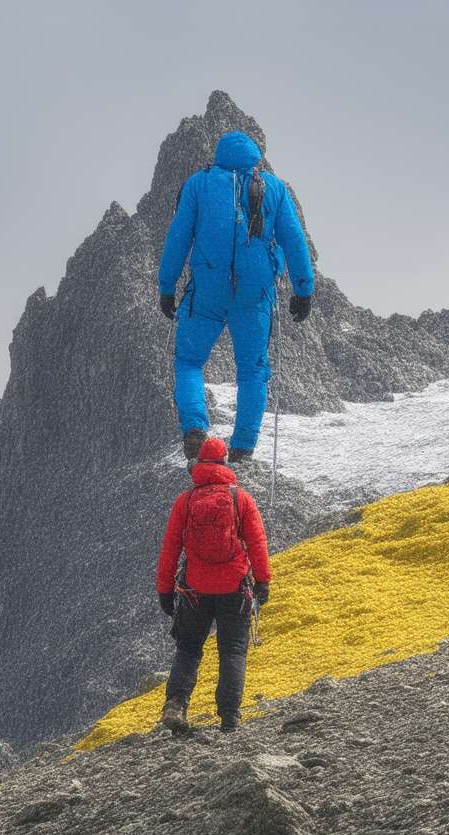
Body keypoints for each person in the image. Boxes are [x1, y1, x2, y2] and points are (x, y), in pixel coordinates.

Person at [158, 130, 315, 463]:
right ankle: (243, 448)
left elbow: (178, 238)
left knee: (189, 362)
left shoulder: (198, 185)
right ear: (255, 157)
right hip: (254, 296)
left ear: (218, 156)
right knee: (253, 370)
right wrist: (303, 290)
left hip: (206, 293)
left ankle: (195, 429)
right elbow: (294, 240)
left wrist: (167, 286)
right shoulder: (274, 188)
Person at [156, 436, 271, 733]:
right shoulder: (240, 498)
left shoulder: (186, 501)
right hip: (234, 587)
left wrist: (165, 590)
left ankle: (176, 704)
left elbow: (170, 548)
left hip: (195, 589)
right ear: (224, 463)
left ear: (200, 464)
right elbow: (257, 543)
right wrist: (263, 581)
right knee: (232, 650)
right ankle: (230, 717)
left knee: (189, 648)